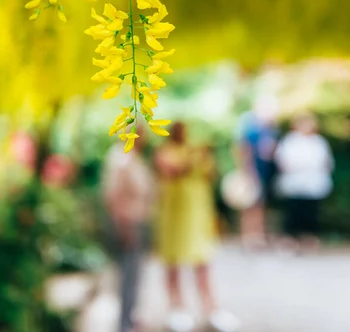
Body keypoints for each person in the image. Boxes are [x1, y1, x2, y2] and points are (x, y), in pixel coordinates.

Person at [155, 122, 239, 332]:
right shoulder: (166, 152)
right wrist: (194, 156)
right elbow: (172, 170)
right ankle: (176, 307)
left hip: (197, 215)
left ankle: (211, 309)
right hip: (174, 215)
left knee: (203, 262)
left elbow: (211, 174)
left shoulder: (196, 151)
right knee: (173, 262)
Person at [102, 123, 155, 332]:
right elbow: (113, 196)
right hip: (128, 223)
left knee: (135, 274)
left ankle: (130, 317)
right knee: (128, 275)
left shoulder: (132, 157)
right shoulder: (121, 158)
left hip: (137, 221)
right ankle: (124, 323)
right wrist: (123, 227)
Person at [274, 113, 334, 251]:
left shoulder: (319, 142)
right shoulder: (290, 141)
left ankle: (309, 237)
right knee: (293, 211)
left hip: (313, 183)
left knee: (311, 211)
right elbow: (283, 161)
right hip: (294, 182)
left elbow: (325, 162)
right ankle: (289, 238)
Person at [237, 97, 279, 247]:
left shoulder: (270, 129)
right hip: (252, 170)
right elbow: (243, 149)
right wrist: (247, 170)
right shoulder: (250, 128)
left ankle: (259, 234)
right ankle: (248, 235)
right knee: (249, 203)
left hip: (265, 171)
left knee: (261, 204)